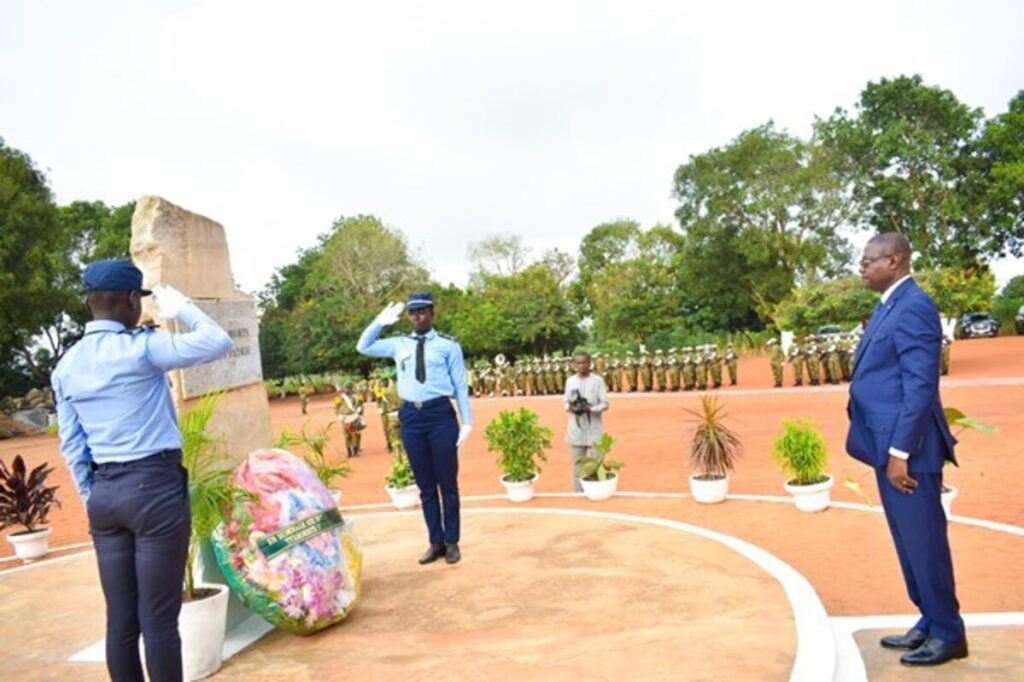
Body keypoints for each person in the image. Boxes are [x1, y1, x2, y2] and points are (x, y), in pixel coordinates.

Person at [51, 260, 232, 682]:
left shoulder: (67, 365)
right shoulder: (142, 348)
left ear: (89, 303)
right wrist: (183, 307)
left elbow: (73, 445)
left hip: (106, 496)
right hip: (154, 491)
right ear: (133, 300)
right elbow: (217, 340)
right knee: (159, 621)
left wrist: (93, 498)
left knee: (121, 621)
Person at [845, 233, 965, 667]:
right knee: (908, 542)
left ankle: (949, 631)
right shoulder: (890, 305)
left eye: (868, 260)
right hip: (888, 446)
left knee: (925, 541)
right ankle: (930, 619)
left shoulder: (914, 306)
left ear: (894, 261)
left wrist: (900, 452)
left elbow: (919, 386)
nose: (862, 267)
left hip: (908, 451)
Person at [357, 292, 472, 565]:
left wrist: (467, 421)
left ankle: (453, 541)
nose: (416, 317)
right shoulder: (398, 344)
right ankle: (435, 541)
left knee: (448, 482)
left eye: (422, 311)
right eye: (412, 313)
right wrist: (379, 322)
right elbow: (363, 346)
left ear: (432, 313)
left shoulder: (448, 345)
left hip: (439, 415)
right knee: (425, 485)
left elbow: (460, 386)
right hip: (411, 416)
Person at [562, 352, 610, 492]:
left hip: (594, 428)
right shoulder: (570, 381)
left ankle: (597, 491)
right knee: (578, 465)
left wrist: (592, 409)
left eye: (584, 362)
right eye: (578, 363)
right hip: (576, 430)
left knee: (596, 463)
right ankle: (578, 493)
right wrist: (569, 407)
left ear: (590, 363)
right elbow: (565, 401)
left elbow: (605, 404)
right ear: (574, 364)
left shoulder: (598, 380)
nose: (581, 366)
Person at [336, 382, 365, 457]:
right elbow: (336, 407)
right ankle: (348, 452)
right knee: (346, 436)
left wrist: (360, 412)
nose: (347, 389)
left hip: (353, 417)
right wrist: (339, 415)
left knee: (354, 434)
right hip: (345, 418)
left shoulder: (356, 397)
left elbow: (360, 405)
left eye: (349, 388)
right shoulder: (340, 397)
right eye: (346, 388)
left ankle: (355, 451)